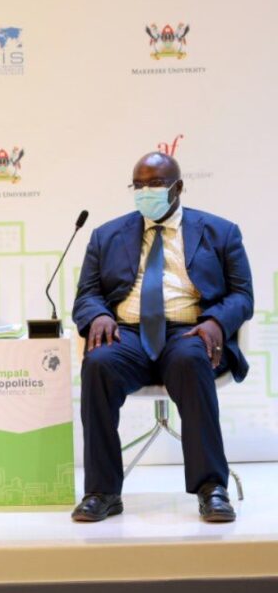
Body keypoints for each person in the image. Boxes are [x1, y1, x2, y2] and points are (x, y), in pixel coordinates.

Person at [71, 152, 252, 523]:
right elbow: (86, 295)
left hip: (189, 331)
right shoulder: (106, 236)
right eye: (138, 185)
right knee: (98, 364)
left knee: (191, 359)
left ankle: (211, 488)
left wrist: (217, 321)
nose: (145, 192)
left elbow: (242, 295)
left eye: (154, 184)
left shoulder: (221, 231)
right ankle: (102, 491)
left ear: (178, 188)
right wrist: (100, 315)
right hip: (129, 334)